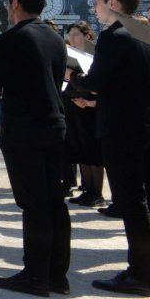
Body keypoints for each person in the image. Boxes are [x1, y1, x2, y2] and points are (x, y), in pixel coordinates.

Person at [0, 0, 70, 297]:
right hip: (54, 124)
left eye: (7, 2)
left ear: (15, 3)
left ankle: (35, 276)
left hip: (25, 129)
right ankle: (57, 275)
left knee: (34, 205)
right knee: (54, 201)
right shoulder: (54, 38)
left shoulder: (12, 38)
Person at [69, 0, 150, 297]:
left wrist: (73, 77)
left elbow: (96, 80)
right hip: (143, 123)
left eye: (98, 0)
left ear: (114, 4)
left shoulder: (113, 36)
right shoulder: (143, 32)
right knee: (139, 200)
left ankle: (141, 273)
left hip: (121, 128)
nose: (94, 5)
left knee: (130, 202)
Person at [62, 21, 104, 207]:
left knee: (93, 153)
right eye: (70, 34)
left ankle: (97, 192)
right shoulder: (68, 55)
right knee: (81, 151)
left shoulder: (96, 55)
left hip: (91, 109)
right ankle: (87, 190)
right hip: (74, 104)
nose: (72, 38)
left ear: (87, 36)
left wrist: (88, 102)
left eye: (76, 34)